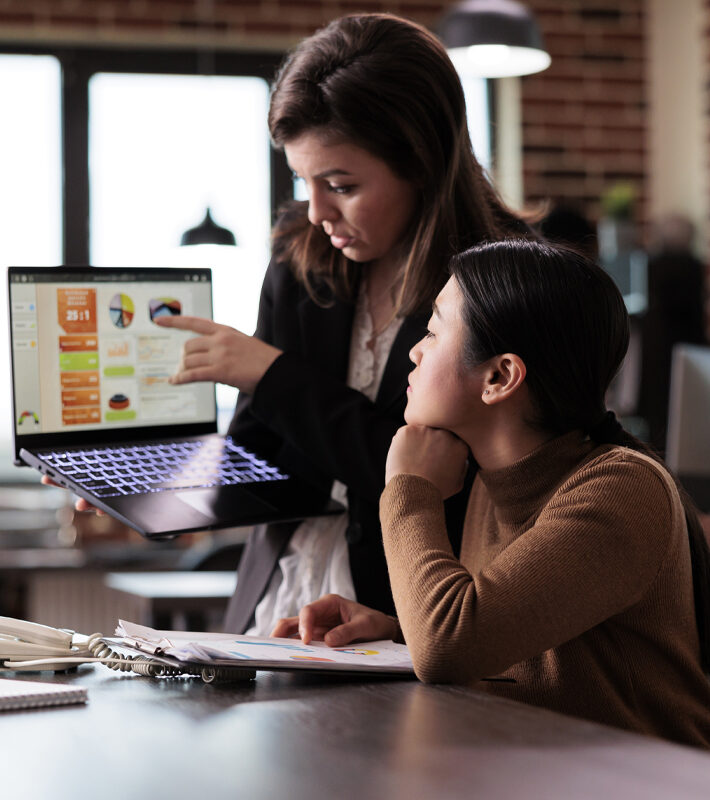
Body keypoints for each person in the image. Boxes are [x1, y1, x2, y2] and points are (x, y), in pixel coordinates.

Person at [139, 14, 527, 635]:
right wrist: (146, 486)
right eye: (303, 180)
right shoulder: (298, 259)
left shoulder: (502, 282)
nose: (316, 211)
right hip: (275, 605)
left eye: (340, 185)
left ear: (421, 162)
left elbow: (434, 474)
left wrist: (271, 375)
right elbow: (258, 459)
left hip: (410, 617)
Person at [273, 239, 710, 748]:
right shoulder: (490, 479)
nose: (415, 350)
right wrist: (396, 631)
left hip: (641, 779)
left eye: (433, 331)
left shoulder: (620, 489)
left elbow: (447, 647)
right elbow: (508, 637)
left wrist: (408, 487)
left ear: (499, 377)